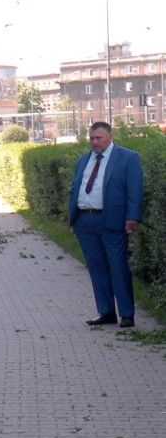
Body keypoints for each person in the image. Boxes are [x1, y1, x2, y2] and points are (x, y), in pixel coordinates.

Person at [68, 121, 143, 328]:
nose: (94, 142)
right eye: (91, 138)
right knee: (96, 268)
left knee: (118, 267)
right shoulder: (83, 160)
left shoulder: (127, 158)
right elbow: (76, 186)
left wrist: (132, 217)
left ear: (109, 137)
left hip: (112, 220)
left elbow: (134, 191)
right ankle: (106, 312)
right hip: (84, 221)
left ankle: (127, 314)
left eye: (98, 138)